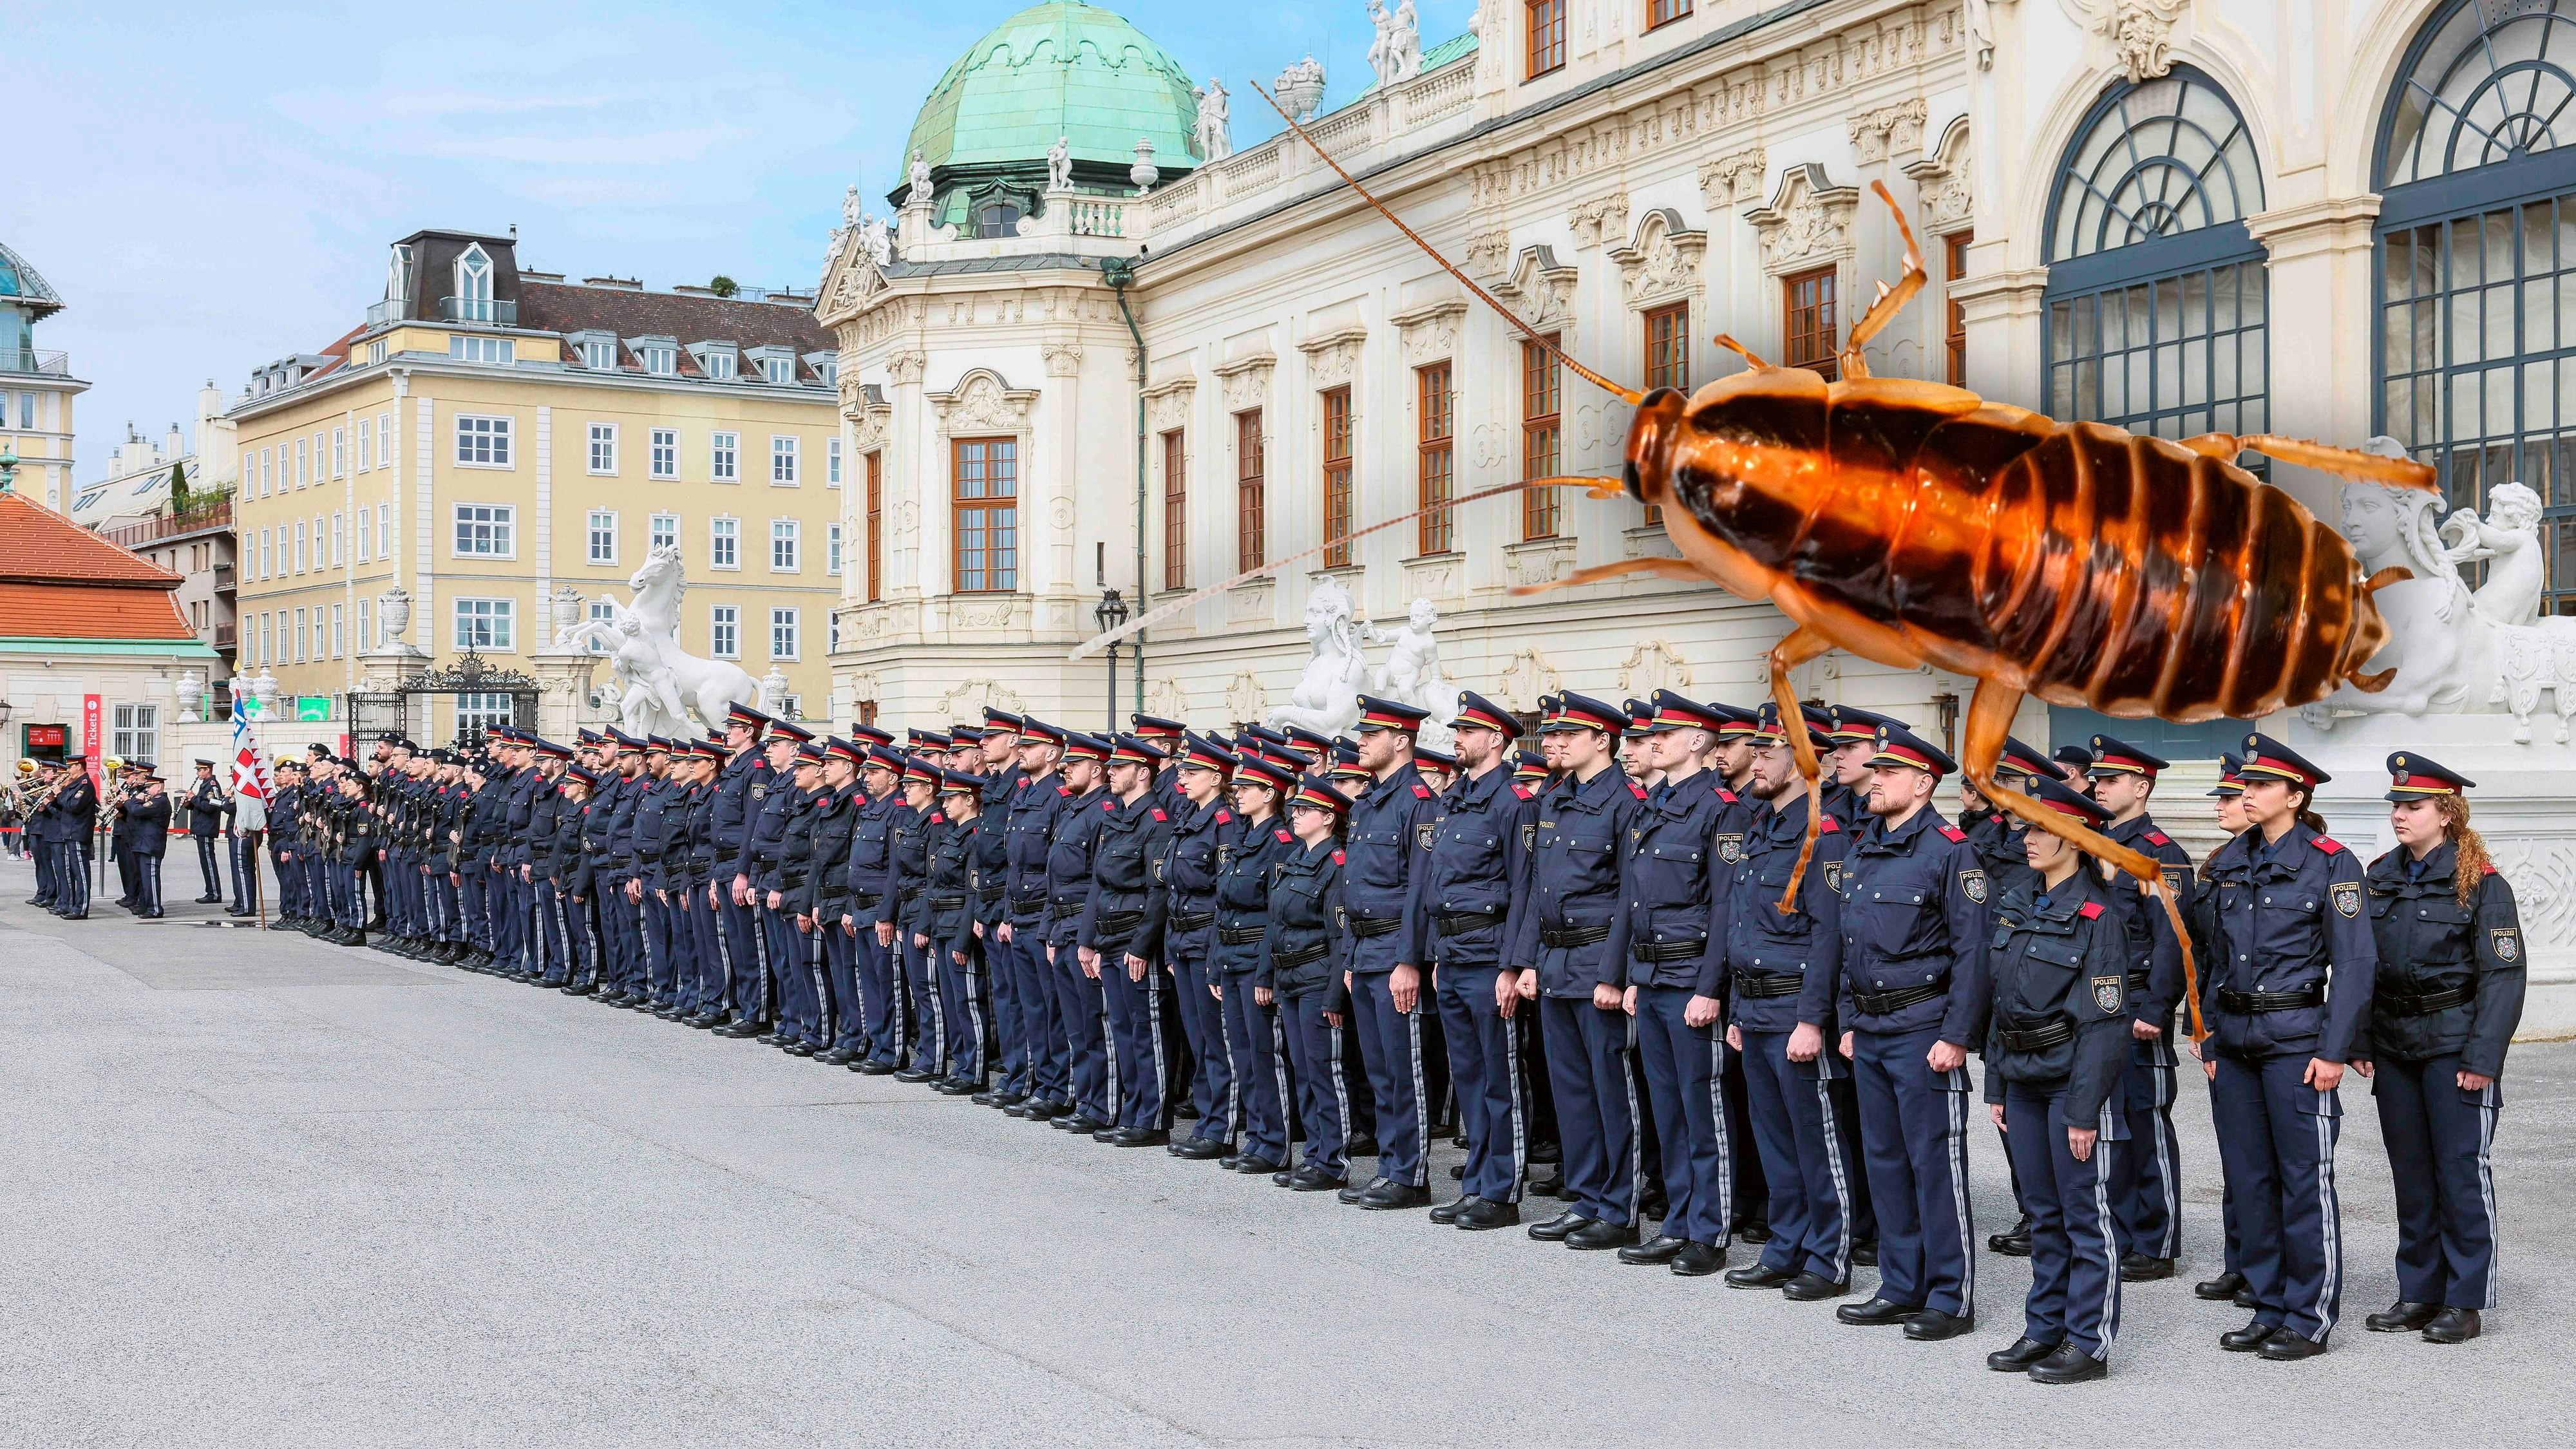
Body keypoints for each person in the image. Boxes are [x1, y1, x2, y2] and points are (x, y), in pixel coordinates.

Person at [2200, 733, 2374, 1360]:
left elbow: (2354, 966)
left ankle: (2307, 1316)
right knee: (2250, 1182)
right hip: (2237, 1043)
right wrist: (2211, 1037)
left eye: (2257, 786)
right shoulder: (2228, 862)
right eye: (2242, 785)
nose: (2244, 794)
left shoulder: (2331, 863)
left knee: (2303, 1182)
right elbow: (2213, 959)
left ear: (2294, 797)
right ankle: (2267, 1306)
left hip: (2296, 1043)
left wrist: (2333, 1050)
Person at [2355, 753, 2525, 1345]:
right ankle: (2420, 1290)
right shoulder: (2380, 876)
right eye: (2397, 806)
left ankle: (2465, 1298)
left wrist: (2484, 1058)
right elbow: (2364, 967)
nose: (2400, 815)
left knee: (2460, 1171)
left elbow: (2504, 977)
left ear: (2447, 814)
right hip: (2397, 1047)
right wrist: (2360, 1038)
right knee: (2412, 1173)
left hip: (2455, 1045)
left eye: (2413, 806)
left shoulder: (2482, 883)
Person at [1831, 723, 1987, 1341]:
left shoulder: (1951, 851)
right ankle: (1900, 1284)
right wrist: (1846, 1019)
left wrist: (1957, 1034)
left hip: (1924, 1029)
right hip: (1869, 1027)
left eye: (1890, 773)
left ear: (1923, 783)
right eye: (1878, 771)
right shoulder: (1866, 846)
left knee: (1934, 1163)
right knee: (1886, 1161)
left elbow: (1973, 953)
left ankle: (1950, 1296)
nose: (1876, 780)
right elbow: (1851, 941)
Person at [1981, 775, 2133, 1385]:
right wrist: (1995, 1085)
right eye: (2027, 826)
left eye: (2042, 828)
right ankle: (2043, 1328)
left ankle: (2087, 1342)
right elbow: (2000, 1001)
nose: (2028, 838)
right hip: (2020, 1077)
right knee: (2042, 1212)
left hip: (2071, 1080)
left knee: (2081, 1213)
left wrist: (2083, 1109)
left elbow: (2105, 1025)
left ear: (2074, 837)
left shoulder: (2099, 917)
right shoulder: (2019, 900)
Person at [1721, 704, 1857, 1301]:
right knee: (1774, 1137)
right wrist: (1734, 1009)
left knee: (1815, 1138)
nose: (1756, 761)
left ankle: (1827, 1257)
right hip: (1754, 1009)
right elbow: (1743, 926)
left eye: (1770, 753)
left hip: (1794, 1015)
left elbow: (1830, 935)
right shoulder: (1761, 828)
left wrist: (1812, 1019)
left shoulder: (1823, 837)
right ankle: (1785, 1246)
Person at [1615, 691, 1750, 1276]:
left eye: (1665, 734)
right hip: (1653, 975)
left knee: (1703, 1107)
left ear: (1698, 741)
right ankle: (1677, 1220)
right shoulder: (1654, 806)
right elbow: (1636, 897)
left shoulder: (1721, 809)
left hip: (1692, 978)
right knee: (1667, 1108)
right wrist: (1630, 977)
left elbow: (1726, 907)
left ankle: (1709, 1230)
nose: (1654, 742)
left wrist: (1710, 986)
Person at [1515, 691, 1647, 1251]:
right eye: (1549, 735)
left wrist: (1614, 974)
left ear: (1603, 741)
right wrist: (1527, 961)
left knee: (1610, 1090)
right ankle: (1587, 1197)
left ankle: (1620, 1207)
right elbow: (1537, 888)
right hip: (1555, 961)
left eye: (1567, 735)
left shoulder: (1627, 802)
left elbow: (1630, 898)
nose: (1553, 742)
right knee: (1571, 1090)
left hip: (1597, 963)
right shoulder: (1555, 797)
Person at [1417, 691, 1537, 1232]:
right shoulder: (1456, 798)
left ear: (1496, 739)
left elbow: (1524, 887)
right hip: (1456, 955)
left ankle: (1502, 1190)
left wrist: (1511, 966)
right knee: (1468, 1077)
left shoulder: (1514, 801)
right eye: (1458, 731)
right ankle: (1476, 1184)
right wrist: (1438, 953)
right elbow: (1442, 883)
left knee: (1499, 1077)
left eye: (1467, 732)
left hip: (1491, 958)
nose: (1458, 740)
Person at [2086, 734, 2195, 1282]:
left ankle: (2156, 1241)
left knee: (2144, 1123)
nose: (2098, 787)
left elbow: (2175, 938)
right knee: (2106, 1125)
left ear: (2142, 787)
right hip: (2096, 1007)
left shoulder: (2160, 854)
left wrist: (2157, 1008)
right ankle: (2121, 1230)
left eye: (2110, 781)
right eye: (2097, 779)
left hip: (2135, 1006)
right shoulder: (2092, 845)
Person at [1336, 694, 1443, 1211]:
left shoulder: (1418, 801)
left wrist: (1409, 961)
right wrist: (1352, 959)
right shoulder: (1369, 802)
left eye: (1371, 734)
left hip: (1394, 952)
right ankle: (1390, 1165)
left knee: (1404, 1068)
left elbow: (1421, 889)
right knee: (1379, 1068)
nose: (1361, 741)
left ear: (1401, 740)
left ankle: (1411, 1174)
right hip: (1365, 950)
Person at [1081, 735, 1179, 1144]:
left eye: (1119, 769)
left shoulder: (1156, 822)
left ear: (1142, 773)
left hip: (1136, 942)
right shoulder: (1114, 819)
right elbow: (1098, 884)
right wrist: (1089, 941)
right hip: (1109, 937)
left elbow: (1159, 893)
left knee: (1147, 1029)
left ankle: (1152, 1119)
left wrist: (1140, 947)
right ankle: (1133, 1108)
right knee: (1121, 1027)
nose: (1110, 773)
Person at [1158, 733, 1243, 1160]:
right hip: (1183, 939)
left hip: (1208, 939)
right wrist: (1173, 946)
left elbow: (1224, 893)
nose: (1181, 781)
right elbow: (1174, 886)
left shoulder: (1224, 823)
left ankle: (1220, 1125)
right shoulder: (1190, 817)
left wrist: (1212, 952)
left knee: (1215, 1038)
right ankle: (1209, 1120)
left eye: (1190, 773)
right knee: (1197, 1037)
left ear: (1215, 776)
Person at [1215, 753, 1299, 1178]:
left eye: (1247, 788)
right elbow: (1224, 904)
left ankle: (1275, 1143)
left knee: (1266, 1054)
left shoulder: (1281, 844)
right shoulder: (1242, 839)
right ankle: (1257, 1137)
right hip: (1231, 959)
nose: (1239, 794)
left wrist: (1266, 973)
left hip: (1256, 963)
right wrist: (1216, 964)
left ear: (1270, 794)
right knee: (1243, 1053)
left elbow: (1276, 914)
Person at [1268, 772, 1353, 1191]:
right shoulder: (1296, 860)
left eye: (1305, 810)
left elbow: (1339, 936)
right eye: (1295, 809)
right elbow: (1278, 922)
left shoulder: (1335, 864)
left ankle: (1333, 1160)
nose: (1296, 815)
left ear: (1328, 817)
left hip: (1319, 979)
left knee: (1324, 1071)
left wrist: (1335, 996)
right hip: (1291, 979)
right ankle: (1315, 1154)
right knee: (1302, 1069)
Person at [2191, 754, 2253, 1307]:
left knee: (2271, 1161)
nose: (2223, 805)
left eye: (2230, 797)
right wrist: (2203, 1027)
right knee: (2238, 1154)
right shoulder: (2219, 864)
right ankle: (2244, 1260)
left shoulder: (2302, 862)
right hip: (2224, 1024)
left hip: (2273, 1028)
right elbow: (2207, 957)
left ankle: (2265, 1266)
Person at [1043, 732, 1117, 1134]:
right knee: (1075, 1023)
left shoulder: (1102, 811)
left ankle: (1103, 1104)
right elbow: (1055, 880)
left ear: (1097, 769)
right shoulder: (1071, 809)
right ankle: (1086, 1098)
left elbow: (1097, 884)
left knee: (1095, 1021)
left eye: (1074, 764)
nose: (1065, 768)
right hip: (1063, 926)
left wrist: (1088, 939)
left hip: (1083, 928)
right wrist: (1052, 933)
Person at [925, 767, 990, 1095]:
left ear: (969, 799)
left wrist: (964, 939)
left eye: (951, 799)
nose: (945, 805)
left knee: (968, 1000)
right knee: (952, 1000)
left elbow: (972, 892)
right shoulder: (953, 833)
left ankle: (974, 1070)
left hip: (958, 926)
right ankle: (961, 1063)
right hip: (942, 925)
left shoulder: (976, 835)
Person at [121, 767, 172, 918]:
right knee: (144, 879)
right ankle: (145, 905)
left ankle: (155, 908)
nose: (148, 790)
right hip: (143, 843)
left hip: (151, 845)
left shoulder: (159, 801)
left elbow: (137, 811)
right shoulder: (153, 800)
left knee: (150, 878)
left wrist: (131, 800)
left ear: (158, 787)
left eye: (150, 787)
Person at [184, 759, 229, 904]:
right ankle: (210, 891)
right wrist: (189, 803)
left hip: (207, 827)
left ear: (207, 770)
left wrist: (194, 798)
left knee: (208, 861)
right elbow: (200, 804)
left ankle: (214, 893)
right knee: (205, 861)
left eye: (200, 770)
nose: (198, 773)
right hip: (201, 827)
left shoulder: (212, 785)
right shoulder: (204, 785)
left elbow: (212, 806)